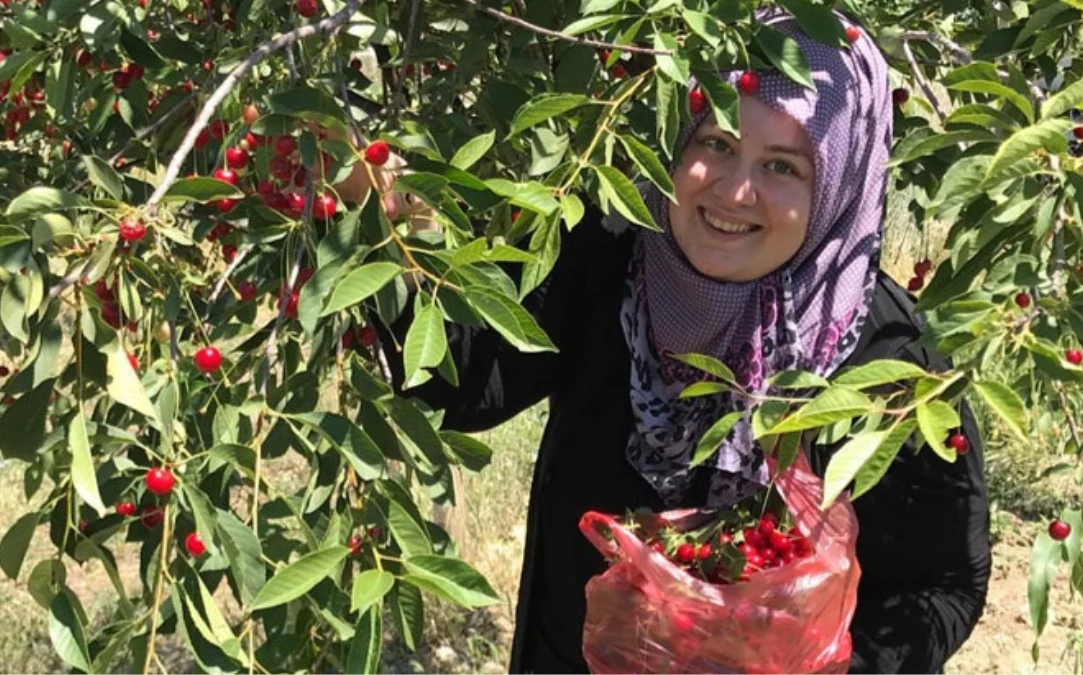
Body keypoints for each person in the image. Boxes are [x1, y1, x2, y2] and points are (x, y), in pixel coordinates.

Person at [347, 10, 992, 674]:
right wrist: (399, 231)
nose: (735, 191)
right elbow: (462, 380)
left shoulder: (886, 355)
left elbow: (942, 584)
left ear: (836, 185)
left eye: (782, 166)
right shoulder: (608, 253)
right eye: (715, 143)